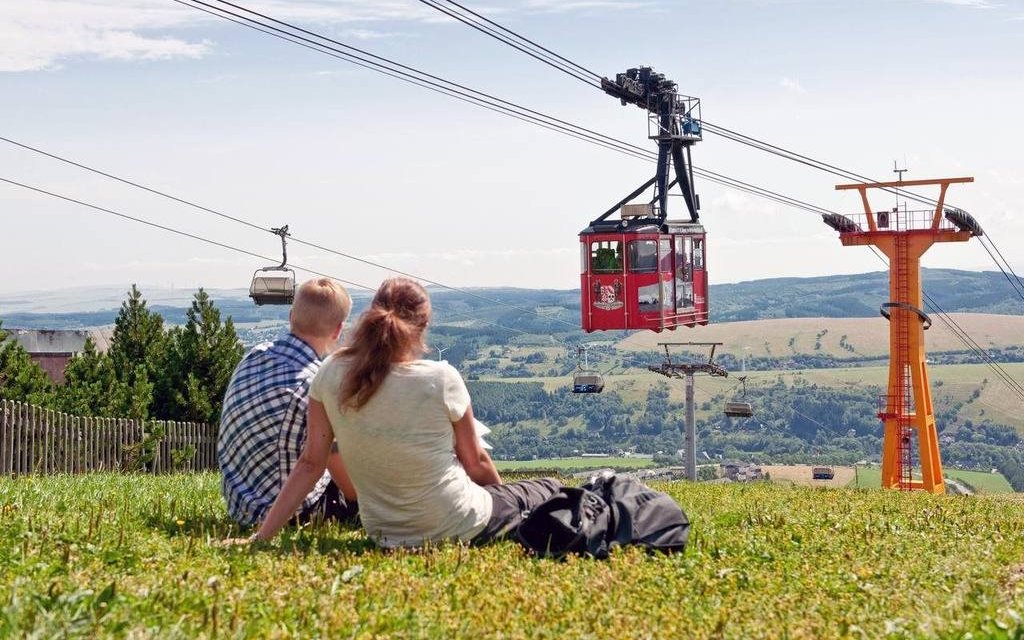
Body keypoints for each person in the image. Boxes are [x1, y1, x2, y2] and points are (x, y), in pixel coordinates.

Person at [250, 277, 562, 548]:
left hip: (382, 530)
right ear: (423, 326)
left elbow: (310, 463)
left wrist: (262, 537)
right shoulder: (440, 379)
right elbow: (476, 462)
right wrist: (499, 500)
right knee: (548, 488)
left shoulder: (330, 373)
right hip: (455, 521)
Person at [218, 277, 358, 527]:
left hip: (239, 504)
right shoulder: (317, 383)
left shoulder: (253, 356)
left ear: (292, 316)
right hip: (290, 512)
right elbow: (338, 467)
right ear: (337, 330)